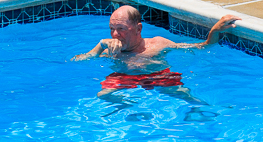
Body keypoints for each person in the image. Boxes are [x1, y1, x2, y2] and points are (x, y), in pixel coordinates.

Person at [72, 7, 238, 94]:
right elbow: (76, 61)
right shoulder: (109, 49)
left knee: (189, 96)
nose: (115, 34)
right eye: (112, 28)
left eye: (121, 29)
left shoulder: (158, 44)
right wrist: (99, 46)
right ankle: (131, 111)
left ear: (138, 29)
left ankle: (199, 115)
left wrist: (214, 31)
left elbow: (202, 47)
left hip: (158, 76)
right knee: (104, 95)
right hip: (124, 77)